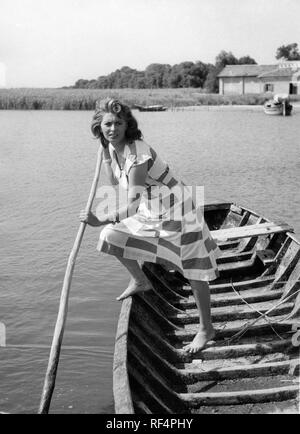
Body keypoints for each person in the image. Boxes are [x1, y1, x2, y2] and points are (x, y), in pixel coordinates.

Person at [79, 98, 220, 353]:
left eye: (118, 123)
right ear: (99, 126)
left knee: (193, 270)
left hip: (179, 210)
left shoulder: (138, 154)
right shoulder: (113, 147)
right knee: (110, 236)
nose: (113, 129)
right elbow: (115, 184)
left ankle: (206, 329)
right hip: (152, 209)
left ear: (127, 124)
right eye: (108, 124)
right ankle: (141, 280)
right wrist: (107, 155)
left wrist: (98, 218)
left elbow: (131, 204)